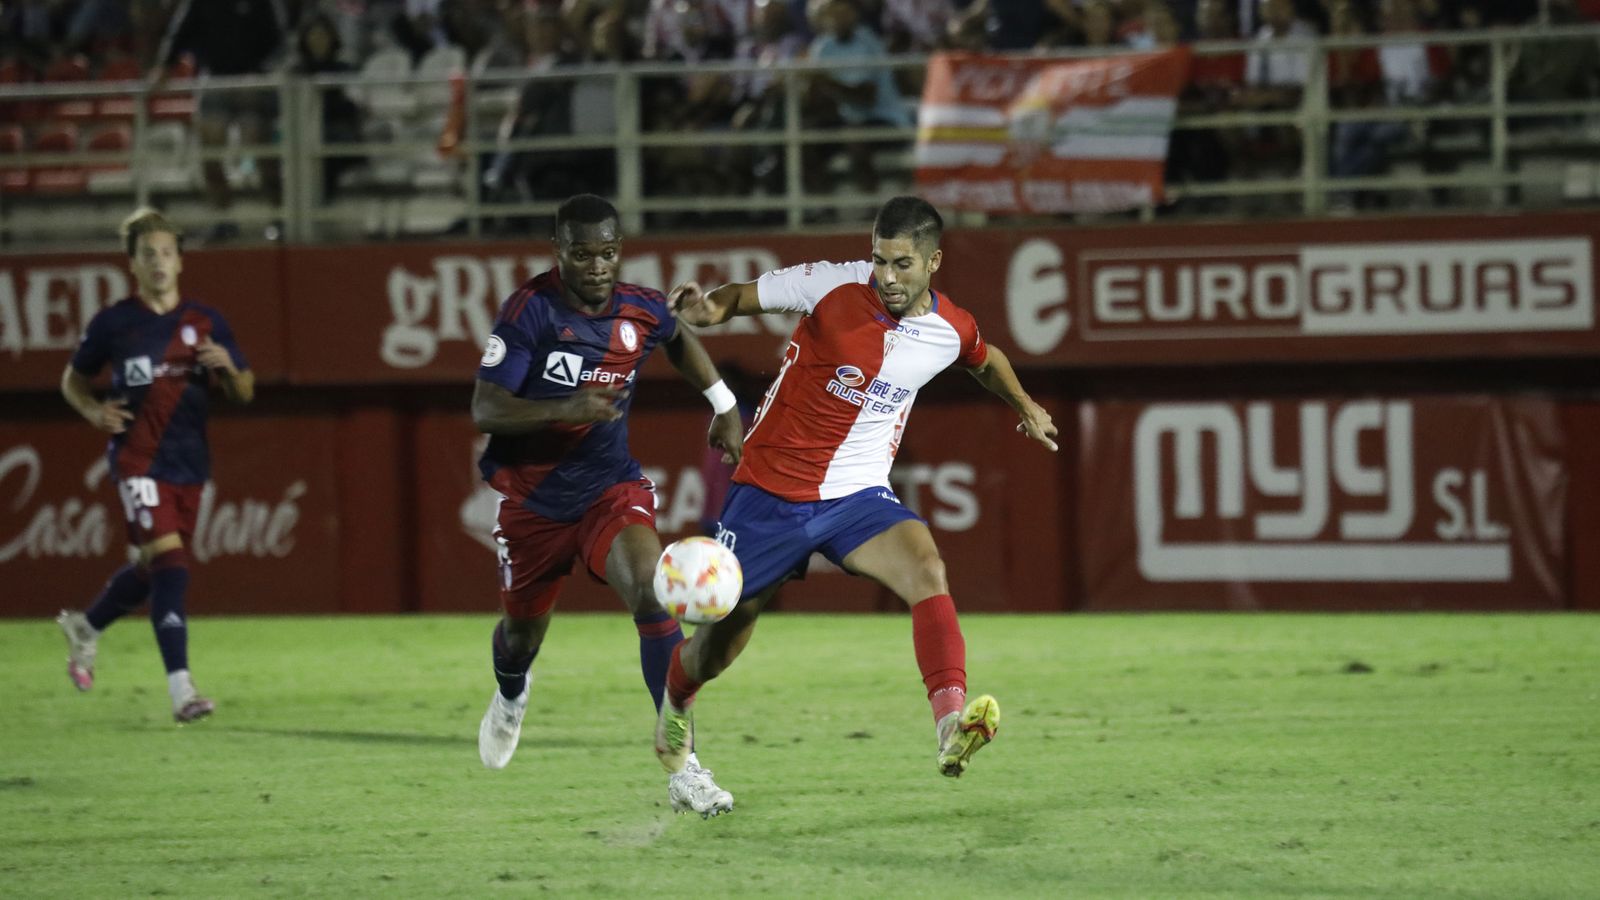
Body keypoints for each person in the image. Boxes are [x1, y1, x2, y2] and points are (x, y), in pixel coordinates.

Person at [660, 196, 1059, 785]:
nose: (887, 277)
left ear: (933, 262)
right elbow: (740, 297)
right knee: (716, 648)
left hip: (857, 496)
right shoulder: (829, 284)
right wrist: (704, 308)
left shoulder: (950, 328)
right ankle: (676, 703)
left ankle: (950, 724)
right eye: (879, 261)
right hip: (769, 492)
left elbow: (984, 358)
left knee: (927, 567)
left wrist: (1024, 406)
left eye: (902, 264)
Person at [471, 194, 746, 818]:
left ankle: (685, 766)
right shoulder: (529, 312)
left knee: (654, 595)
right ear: (558, 251)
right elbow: (486, 408)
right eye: (583, 253)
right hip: (533, 503)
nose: (598, 265)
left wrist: (724, 404)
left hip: (608, 491)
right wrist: (565, 409)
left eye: (608, 252)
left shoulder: (639, 308)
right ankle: (511, 693)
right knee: (518, 639)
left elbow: (677, 339)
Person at [55, 208, 255, 723]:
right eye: (148, 254)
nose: (159, 262)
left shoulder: (205, 322)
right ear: (133, 264)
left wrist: (227, 368)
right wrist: (94, 410)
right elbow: (72, 381)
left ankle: (87, 627)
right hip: (137, 460)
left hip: (190, 464)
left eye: (167, 252)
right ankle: (181, 691)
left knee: (151, 571)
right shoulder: (114, 323)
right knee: (173, 566)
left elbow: (244, 391)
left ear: (181, 260)